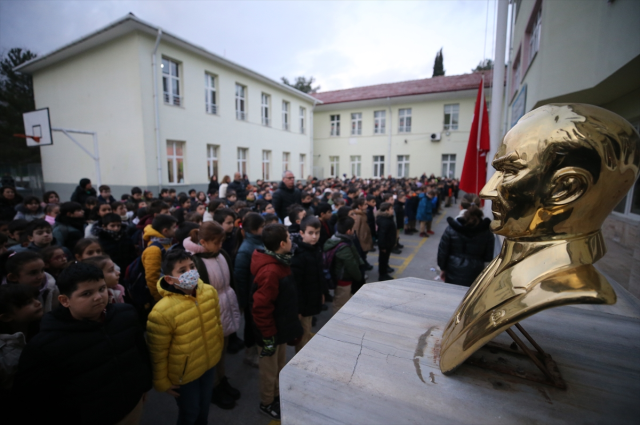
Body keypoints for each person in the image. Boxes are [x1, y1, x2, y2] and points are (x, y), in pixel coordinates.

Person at [12, 262, 152, 425]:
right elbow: (33, 399)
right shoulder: (45, 345)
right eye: (86, 293)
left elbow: (140, 353)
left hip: (131, 408)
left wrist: (143, 386)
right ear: (65, 300)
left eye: (101, 289)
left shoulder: (125, 314)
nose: (99, 296)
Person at [146, 250, 224, 425]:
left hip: (208, 362)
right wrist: (162, 382)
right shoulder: (161, 312)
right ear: (169, 279)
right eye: (182, 270)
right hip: (184, 374)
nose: (190, 272)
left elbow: (216, 324)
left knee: (204, 407)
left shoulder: (209, 292)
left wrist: (217, 348)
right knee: (190, 412)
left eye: (192, 266)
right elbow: (157, 353)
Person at [184, 222, 242, 409]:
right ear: (203, 242)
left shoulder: (221, 254)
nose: (221, 245)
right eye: (217, 242)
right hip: (210, 314)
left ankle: (221, 379)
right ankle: (213, 387)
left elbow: (230, 281)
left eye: (222, 241)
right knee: (212, 353)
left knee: (222, 350)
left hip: (225, 308)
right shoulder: (195, 262)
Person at [250, 223, 303, 420]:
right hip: (269, 334)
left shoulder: (281, 262)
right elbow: (261, 308)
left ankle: (277, 395)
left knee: (280, 366)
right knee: (269, 371)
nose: (291, 241)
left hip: (279, 329)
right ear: (282, 244)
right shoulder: (271, 271)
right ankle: (267, 402)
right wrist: (268, 336)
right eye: (289, 238)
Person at [437, 197, 495, 286]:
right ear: (480, 206)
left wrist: (442, 268)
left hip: (453, 268)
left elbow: (443, 251)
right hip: (476, 270)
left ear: (461, 207)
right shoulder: (486, 231)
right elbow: (488, 256)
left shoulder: (451, 228)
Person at [0, 285, 43, 403]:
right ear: (7, 317)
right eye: (28, 303)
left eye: (35, 298)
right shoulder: (3, 353)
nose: (37, 303)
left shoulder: (43, 327)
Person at [234, 213, 265, 367]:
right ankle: (250, 352)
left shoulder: (259, 242)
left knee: (257, 324)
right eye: (262, 227)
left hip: (258, 293)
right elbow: (240, 277)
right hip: (251, 295)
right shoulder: (245, 249)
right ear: (255, 229)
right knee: (251, 326)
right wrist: (244, 301)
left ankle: (257, 351)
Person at [290, 216, 325, 352]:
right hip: (303, 305)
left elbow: (318, 275)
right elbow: (297, 286)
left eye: (317, 233)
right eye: (310, 233)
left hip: (312, 299)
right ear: (302, 233)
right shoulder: (299, 255)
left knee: (307, 330)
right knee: (303, 337)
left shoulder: (315, 249)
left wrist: (322, 292)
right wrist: (298, 309)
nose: (314, 237)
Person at [323, 216, 363, 314]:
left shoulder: (338, 238)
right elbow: (351, 265)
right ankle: (337, 324)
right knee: (340, 304)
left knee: (344, 300)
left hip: (342, 278)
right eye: (353, 228)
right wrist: (359, 277)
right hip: (343, 280)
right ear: (348, 231)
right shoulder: (344, 247)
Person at [142, 214, 178, 302]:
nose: (176, 229)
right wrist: (159, 298)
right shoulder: (154, 250)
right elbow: (152, 279)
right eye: (174, 227)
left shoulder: (166, 242)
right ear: (165, 231)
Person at [376, 202, 397, 281]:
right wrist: (383, 247)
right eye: (391, 209)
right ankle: (382, 275)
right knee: (383, 260)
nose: (393, 210)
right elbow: (382, 236)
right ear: (386, 210)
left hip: (388, 243)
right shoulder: (385, 221)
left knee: (385, 259)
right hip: (385, 245)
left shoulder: (388, 218)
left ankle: (385, 270)